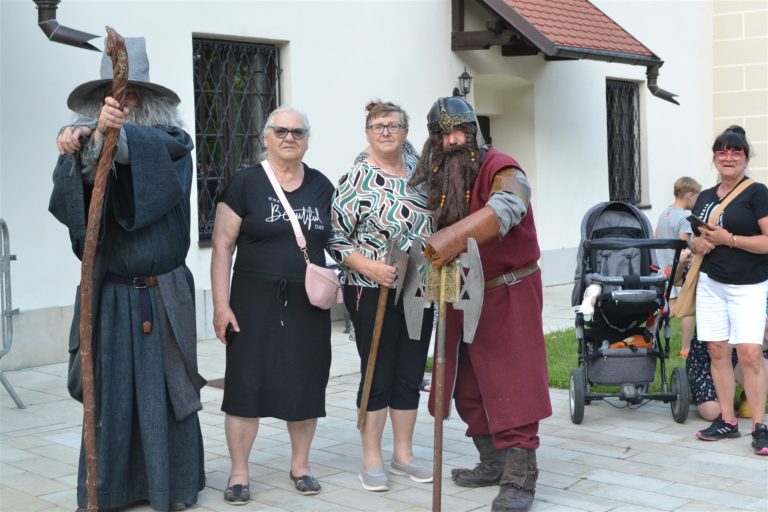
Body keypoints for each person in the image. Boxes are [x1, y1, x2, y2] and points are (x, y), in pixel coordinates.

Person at [49, 38, 205, 511]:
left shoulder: (174, 145)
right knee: (111, 391)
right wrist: (83, 146)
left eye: (131, 95)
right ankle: (110, 489)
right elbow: (72, 203)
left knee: (167, 392)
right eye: (113, 96)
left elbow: (149, 166)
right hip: (111, 296)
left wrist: (111, 138)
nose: (122, 103)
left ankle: (171, 486)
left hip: (162, 294)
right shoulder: (89, 138)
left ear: (149, 101)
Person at [409, 96, 551, 512]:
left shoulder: (503, 168)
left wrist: (450, 239)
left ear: (474, 132)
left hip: (508, 290)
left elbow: (508, 207)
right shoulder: (437, 175)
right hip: (459, 291)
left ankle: (520, 478)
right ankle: (492, 462)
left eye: (460, 131)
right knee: (466, 382)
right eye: (444, 134)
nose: (453, 140)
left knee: (514, 384)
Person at [210, 106, 335, 504]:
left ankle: (301, 466)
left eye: (298, 132)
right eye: (280, 131)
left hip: (307, 304)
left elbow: (339, 241)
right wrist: (221, 305)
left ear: (307, 140)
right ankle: (239, 473)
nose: (289, 137)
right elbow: (222, 248)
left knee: (305, 382)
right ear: (265, 138)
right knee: (245, 386)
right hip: (252, 302)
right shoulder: (245, 183)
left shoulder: (321, 186)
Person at [329, 100, 435, 492]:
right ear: (368, 133)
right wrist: (370, 267)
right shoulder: (355, 178)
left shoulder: (422, 173)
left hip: (419, 286)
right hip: (371, 287)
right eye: (378, 126)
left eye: (393, 125)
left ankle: (403, 455)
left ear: (406, 131)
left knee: (410, 370)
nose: (386, 132)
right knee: (378, 370)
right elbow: (334, 238)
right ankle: (371, 458)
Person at [690, 125, 768, 456]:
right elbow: (694, 238)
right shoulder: (705, 197)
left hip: (748, 285)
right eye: (722, 152)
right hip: (711, 283)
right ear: (715, 158)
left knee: (749, 353)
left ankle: (760, 427)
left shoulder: (757, 193)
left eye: (736, 152)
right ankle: (727, 420)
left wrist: (731, 240)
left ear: (746, 158)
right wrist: (696, 244)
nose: (729, 157)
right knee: (717, 351)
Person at [655, 177, 701, 357]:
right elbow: (682, 247)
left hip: (662, 267)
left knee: (671, 307)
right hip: (677, 271)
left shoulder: (664, 213)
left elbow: (655, 237)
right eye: (696, 197)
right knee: (687, 307)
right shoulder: (684, 218)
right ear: (689, 195)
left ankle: (650, 330)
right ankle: (686, 349)